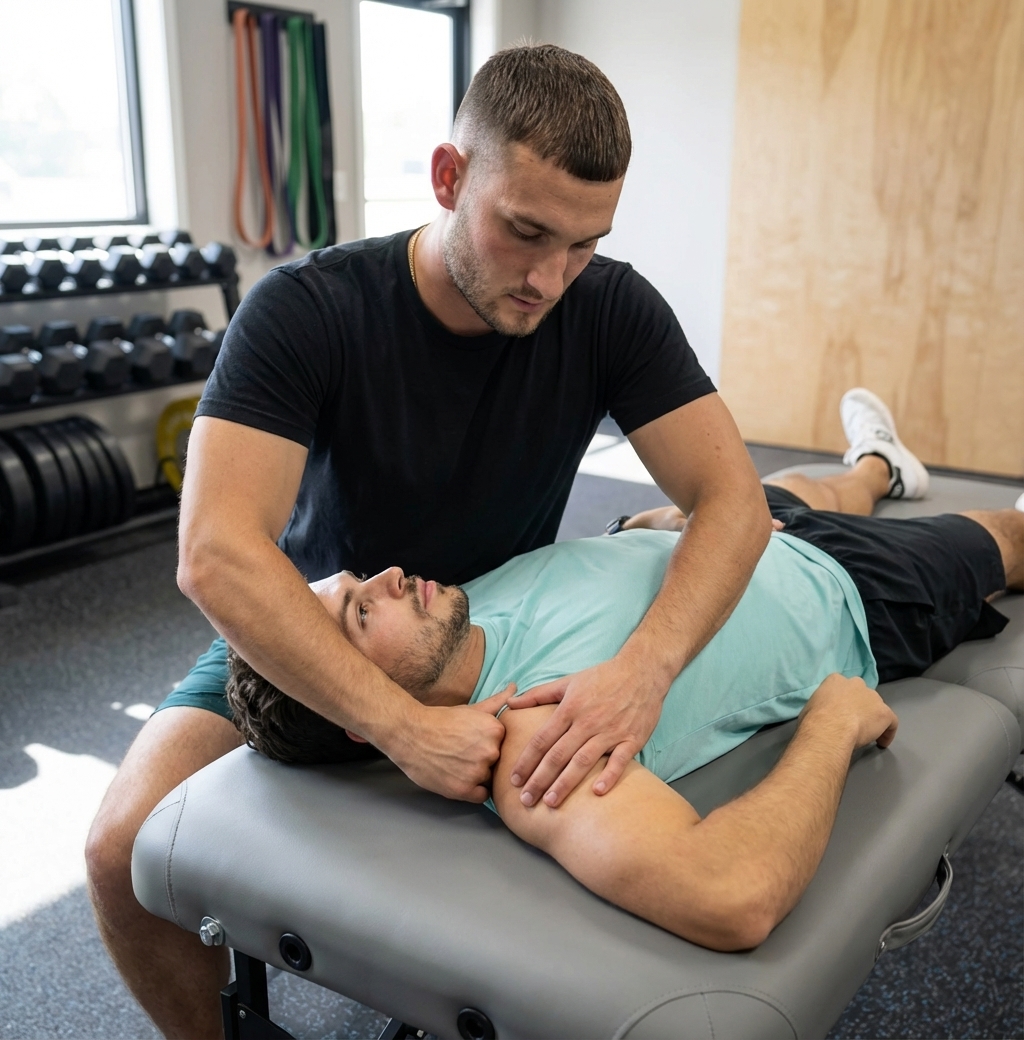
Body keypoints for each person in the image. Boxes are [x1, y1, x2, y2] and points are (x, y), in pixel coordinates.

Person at [86, 45, 773, 1037]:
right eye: (525, 231)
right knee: (119, 851)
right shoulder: (308, 308)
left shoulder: (609, 306)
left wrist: (644, 671)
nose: (550, 278)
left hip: (498, 618)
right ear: (449, 177)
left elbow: (734, 500)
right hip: (323, 620)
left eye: (583, 244)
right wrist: (401, 728)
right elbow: (216, 551)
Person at [225, 389, 1023, 950]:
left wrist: (650, 527)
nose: (391, 577)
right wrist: (834, 723)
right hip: (847, 591)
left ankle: (880, 465)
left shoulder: (452, 608)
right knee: (1008, 540)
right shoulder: (534, 741)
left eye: (361, 581)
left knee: (813, 487)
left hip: (725, 538)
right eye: (363, 613)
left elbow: (582, 585)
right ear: (358, 709)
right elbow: (730, 896)